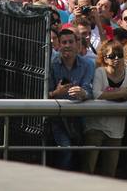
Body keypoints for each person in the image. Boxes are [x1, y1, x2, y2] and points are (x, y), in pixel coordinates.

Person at [83, 40, 127, 177]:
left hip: (117, 130)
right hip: (95, 127)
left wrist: (115, 94)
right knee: (88, 168)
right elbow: (97, 94)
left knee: (109, 171)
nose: (116, 59)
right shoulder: (100, 72)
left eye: (119, 55)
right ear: (104, 58)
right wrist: (121, 93)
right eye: (112, 56)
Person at [48, 27, 94, 168]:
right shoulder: (51, 65)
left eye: (70, 42)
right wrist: (57, 92)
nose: (67, 45)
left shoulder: (88, 64)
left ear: (77, 44)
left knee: (79, 155)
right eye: (64, 42)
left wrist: (83, 93)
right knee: (66, 151)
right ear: (59, 45)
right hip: (58, 118)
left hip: (80, 118)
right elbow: (45, 94)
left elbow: (90, 90)